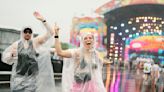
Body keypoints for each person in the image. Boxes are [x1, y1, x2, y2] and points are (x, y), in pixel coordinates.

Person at [2, 11, 55, 92]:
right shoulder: (16, 44)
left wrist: (43, 20)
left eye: (29, 32)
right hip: (18, 79)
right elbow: (6, 58)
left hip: (31, 80)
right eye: (25, 31)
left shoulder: (35, 42)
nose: (27, 33)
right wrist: (11, 55)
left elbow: (50, 33)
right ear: (22, 33)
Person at [54, 24, 111, 92]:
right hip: (78, 87)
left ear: (93, 40)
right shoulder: (77, 52)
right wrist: (56, 35)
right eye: (85, 38)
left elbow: (100, 63)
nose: (88, 40)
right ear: (82, 41)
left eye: (90, 38)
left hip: (91, 87)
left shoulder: (95, 54)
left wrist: (106, 62)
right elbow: (60, 52)